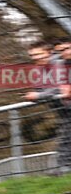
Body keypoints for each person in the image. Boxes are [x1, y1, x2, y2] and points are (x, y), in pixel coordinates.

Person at [26, 40, 71, 174]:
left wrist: (39, 96)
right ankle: (64, 168)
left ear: (49, 52)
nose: (36, 58)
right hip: (62, 110)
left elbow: (58, 88)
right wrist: (37, 95)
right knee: (66, 137)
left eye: (39, 54)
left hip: (67, 107)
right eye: (32, 55)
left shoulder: (59, 64)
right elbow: (41, 89)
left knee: (66, 138)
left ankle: (64, 168)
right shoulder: (39, 70)